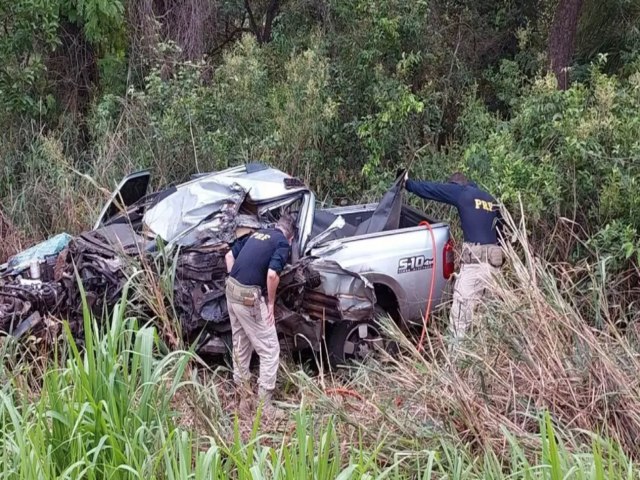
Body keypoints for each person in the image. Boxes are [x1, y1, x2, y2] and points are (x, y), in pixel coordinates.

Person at [403, 172, 504, 342]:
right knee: (489, 320)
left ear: (455, 185)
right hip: (494, 267)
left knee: (459, 321)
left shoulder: (462, 192)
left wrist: (408, 184)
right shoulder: (490, 199)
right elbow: (502, 232)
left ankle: (454, 365)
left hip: (475, 266)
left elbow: (433, 190)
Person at [224, 215, 295, 412]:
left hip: (231, 291)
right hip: (248, 298)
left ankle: (244, 400)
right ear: (291, 237)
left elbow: (229, 256)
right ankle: (265, 407)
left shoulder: (257, 234)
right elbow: (272, 275)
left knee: (241, 345)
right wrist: (270, 302)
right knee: (270, 349)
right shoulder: (282, 243)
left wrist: (236, 281)